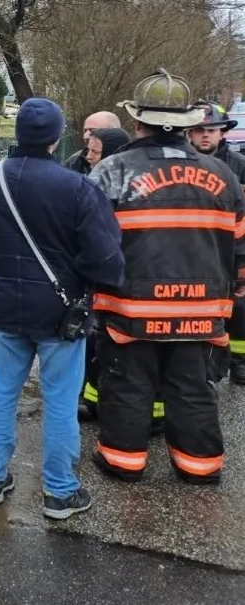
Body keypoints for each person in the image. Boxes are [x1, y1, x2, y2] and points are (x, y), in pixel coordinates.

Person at [0, 98, 124, 521]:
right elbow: (105, 261)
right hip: (61, 313)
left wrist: (0, 269)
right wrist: (78, 280)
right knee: (61, 401)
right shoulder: (78, 187)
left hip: (5, 306)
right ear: (57, 138)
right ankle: (59, 492)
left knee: (1, 392)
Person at [89, 70, 245, 486]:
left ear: (138, 122)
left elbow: (89, 245)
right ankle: (199, 467)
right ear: (190, 123)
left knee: (127, 384)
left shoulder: (111, 172)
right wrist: (236, 291)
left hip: (130, 311)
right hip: (201, 312)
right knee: (193, 388)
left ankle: (124, 462)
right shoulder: (225, 176)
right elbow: (241, 249)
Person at [77, 125, 132, 422]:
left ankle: (99, 400)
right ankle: (93, 397)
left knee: (105, 341)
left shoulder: (111, 181)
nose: (88, 156)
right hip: (111, 276)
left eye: (94, 151)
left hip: (115, 278)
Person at [188, 101, 245, 384]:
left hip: (234, 244)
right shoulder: (180, 165)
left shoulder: (239, 167)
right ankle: (204, 369)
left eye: (211, 129)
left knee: (240, 307)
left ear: (223, 133)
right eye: (199, 130)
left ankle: (239, 360)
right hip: (197, 249)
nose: (205, 135)